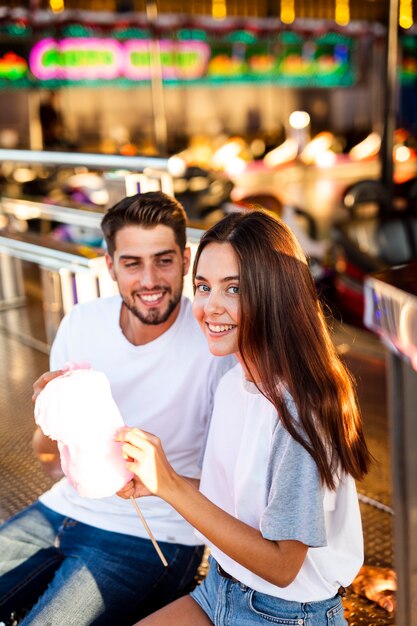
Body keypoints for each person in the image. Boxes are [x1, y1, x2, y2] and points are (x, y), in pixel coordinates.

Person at [116, 208, 372, 625]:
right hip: (218, 587)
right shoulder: (233, 379)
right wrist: (157, 486)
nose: (210, 307)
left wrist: (173, 484)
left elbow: (282, 566)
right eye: (203, 286)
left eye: (233, 289)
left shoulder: (300, 409)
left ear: (275, 292)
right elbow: (243, 498)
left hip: (285, 614)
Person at [0, 191, 233, 626]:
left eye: (163, 260)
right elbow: (53, 465)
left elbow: (235, 490)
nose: (149, 280)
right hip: (61, 508)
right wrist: (48, 417)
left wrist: (161, 478)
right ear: (109, 266)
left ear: (186, 260)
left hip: (156, 534)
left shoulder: (215, 344)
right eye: (132, 263)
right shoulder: (81, 322)